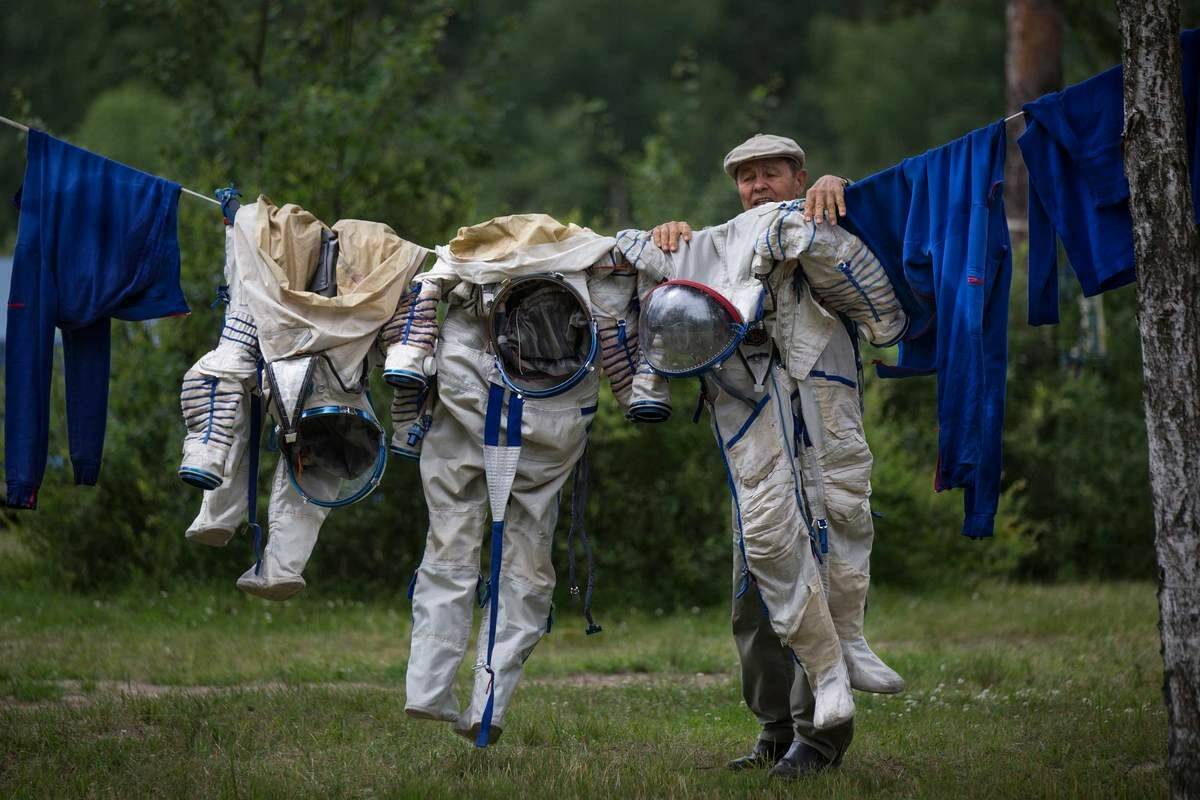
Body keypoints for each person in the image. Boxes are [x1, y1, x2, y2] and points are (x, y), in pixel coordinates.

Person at [649, 134, 905, 779]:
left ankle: (819, 739)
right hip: (755, 452)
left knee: (826, 572)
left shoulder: (832, 219)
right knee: (754, 591)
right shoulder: (720, 248)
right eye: (746, 178)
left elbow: (877, 279)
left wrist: (840, 186)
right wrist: (668, 235)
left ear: (800, 176)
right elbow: (666, 298)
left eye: (771, 174)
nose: (758, 187)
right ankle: (772, 728)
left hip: (821, 446)